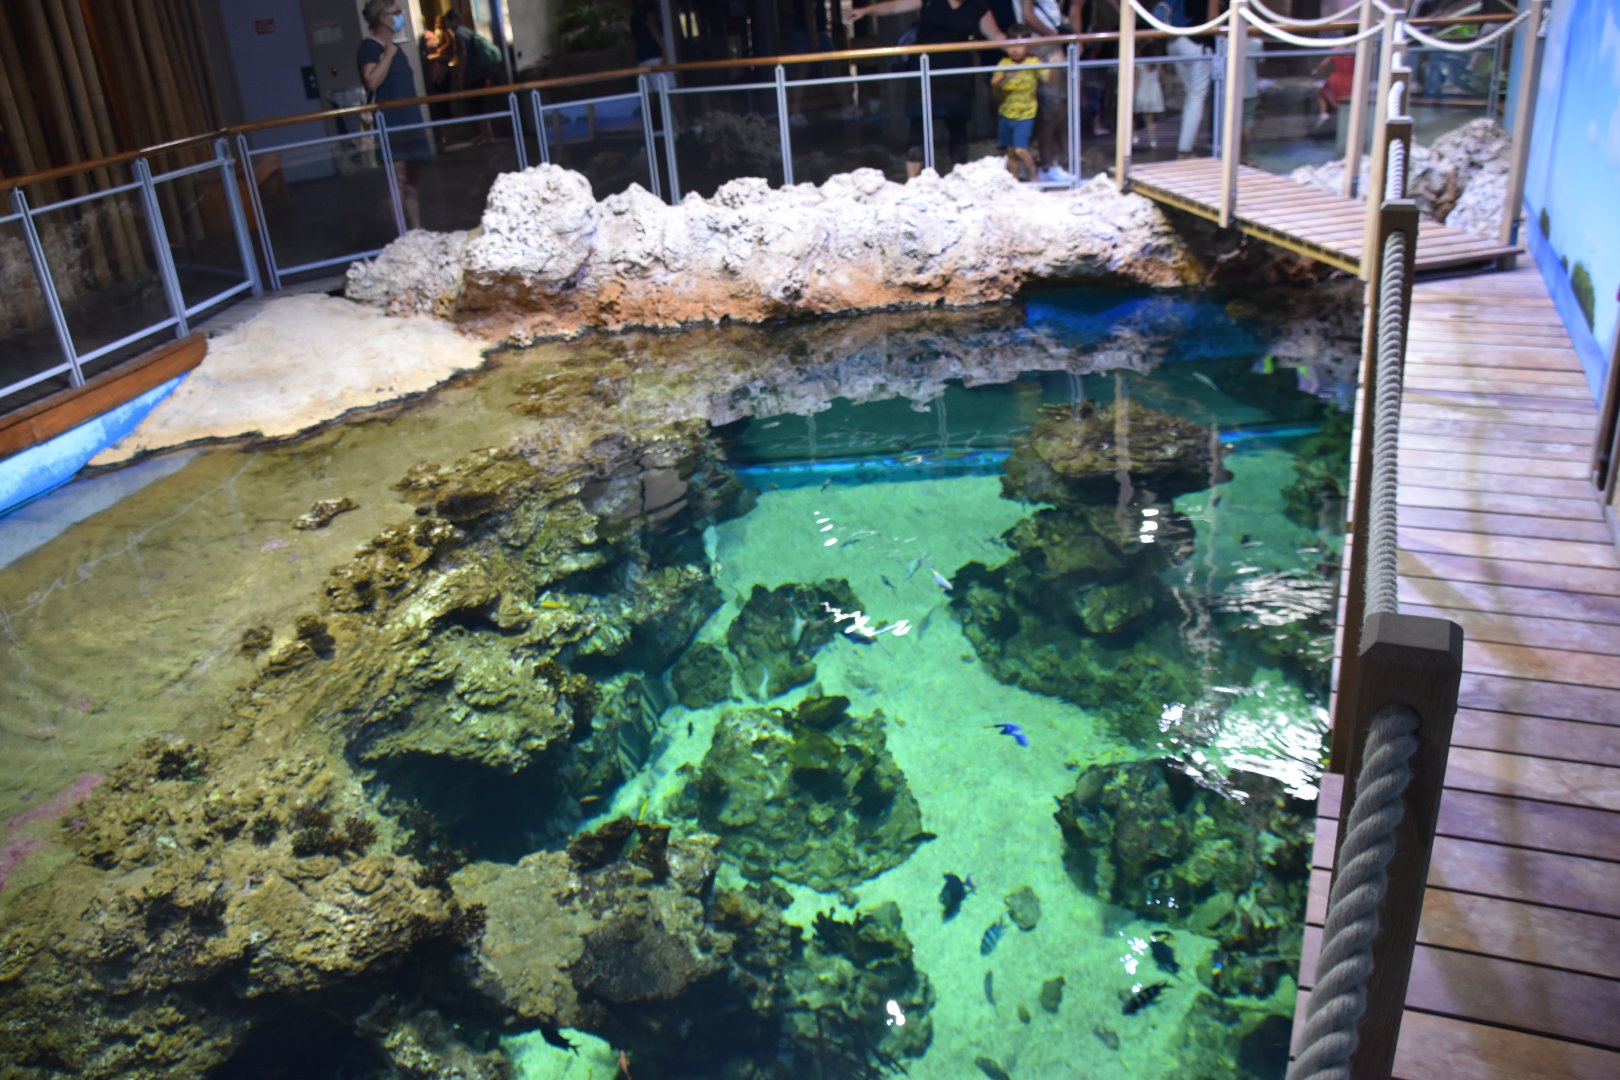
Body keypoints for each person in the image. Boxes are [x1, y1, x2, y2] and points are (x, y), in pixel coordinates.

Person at [849, 0, 1006, 178]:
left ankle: (959, 176)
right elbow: (895, 6)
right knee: (918, 125)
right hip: (925, 69)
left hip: (956, 73)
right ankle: (913, 181)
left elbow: (996, 35)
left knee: (957, 126)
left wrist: (1020, 47)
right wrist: (866, 11)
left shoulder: (977, 5)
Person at [358, 0, 426, 230]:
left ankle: (417, 229)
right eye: (395, 13)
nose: (399, 16)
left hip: (409, 118)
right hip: (392, 121)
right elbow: (371, 81)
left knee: (412, 180)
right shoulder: (370, 47)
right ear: (382, 18)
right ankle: (403, 233)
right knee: (398, 179)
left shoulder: (395, 48)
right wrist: (387, 55)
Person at [1021, 0, 1075, 182]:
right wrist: (1055, 36)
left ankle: (1060, 159)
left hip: (1053, 44)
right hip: (1044, 46)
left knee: (1059, 104)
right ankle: (1047, 164)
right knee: (1049, 105)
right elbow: (1027, 14)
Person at [1161, 0, 1218, 159]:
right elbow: (1212, 19)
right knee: (1196, 98)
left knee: (1191, 96)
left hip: (1175, 41)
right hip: (1196, 44)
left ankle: (1185, 147)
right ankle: (1185, 151)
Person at [992, 26, 1047, 181]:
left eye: (1019, 45)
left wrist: (1050, 63)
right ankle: (1014, 180)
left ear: (1028, 46)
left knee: (1020, 150)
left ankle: (1034, 174)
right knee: (1010, 151)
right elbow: (994, 83)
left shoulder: (1033, 62)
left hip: (1025, 115)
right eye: (1011, 45)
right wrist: (1006, 75)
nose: (1015, 50)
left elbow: (1048, 78)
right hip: (1006, 113)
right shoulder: (1004, 63)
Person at [442, 9, 498, 145]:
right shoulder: (467, 31)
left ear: (451, 20)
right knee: (480, 106)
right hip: (480, 73)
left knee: (478, 107)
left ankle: (487, 136)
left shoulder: (459, 34)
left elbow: (463, 55)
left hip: (474, 75)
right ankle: (485, 134)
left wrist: (461, 76)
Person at [1134, 38, 1166, 149]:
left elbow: (1136, 80)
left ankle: (1135, 137)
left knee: (1135, 117)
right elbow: (1162, 77)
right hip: (1153, 93)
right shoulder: (1157, 63)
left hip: (1142, 93)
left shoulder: (1138, 64)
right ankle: (1153, 140)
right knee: (1150, 119)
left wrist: (1133, 94)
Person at [1314, 52, 1353, 131]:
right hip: (1352, 79)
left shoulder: (1338, 51)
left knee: (1322, 92)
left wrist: (1317, 70)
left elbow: (1323, 64)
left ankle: (1324, 113)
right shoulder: (1358, 52)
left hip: (1337, 79)